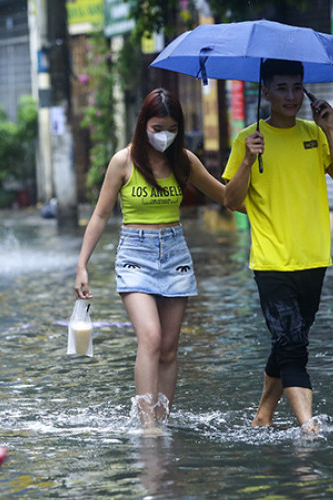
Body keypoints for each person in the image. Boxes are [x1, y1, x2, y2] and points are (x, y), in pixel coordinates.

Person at [74, 88, 225, 433]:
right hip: (135, 256)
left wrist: (249, 167)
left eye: (171, 128)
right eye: (157, 128)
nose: (164, 136)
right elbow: (99, 215)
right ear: (143, 125)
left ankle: (162, 419)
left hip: (175, 253)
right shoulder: (122, 161)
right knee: (152, 338)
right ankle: (147, 427)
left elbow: (224, 196)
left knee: (170, 347)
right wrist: (82, 265)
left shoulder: (184, 161)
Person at [222, 59, 333, 432]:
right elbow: (231, 202)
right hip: (272, 262)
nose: (291, 96)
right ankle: (308, 428)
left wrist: (330, 128)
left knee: (287, 342)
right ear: (264, 91)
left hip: (314, 258)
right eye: (281, 88)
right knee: (294, 347)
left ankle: (262, 417)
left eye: (297, 87)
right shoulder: (247, 140)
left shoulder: (314, 134)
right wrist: (248, 160)